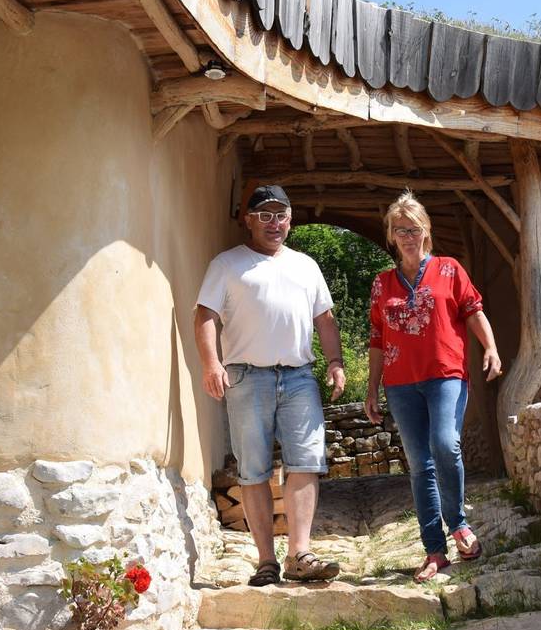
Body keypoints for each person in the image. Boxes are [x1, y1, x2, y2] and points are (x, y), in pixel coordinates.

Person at [194, 185, 346, 586]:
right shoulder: (226, 265)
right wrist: (211, 363)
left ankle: (300, 553)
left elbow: (325, 320)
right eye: (264, 215)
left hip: (298, 376)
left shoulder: (306, 265)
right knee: (253, 470)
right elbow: (205, 316)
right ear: (248, 220)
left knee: (306, 463)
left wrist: (335, 363)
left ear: (290, 219)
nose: (273, 223)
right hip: (245, 375)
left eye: (280, 215)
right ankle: (266, 561)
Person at [365, 190, 501, 582]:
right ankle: (434, 550)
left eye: (414, 228)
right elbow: (377, 336)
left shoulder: (449, 269)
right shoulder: (382, 283)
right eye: (399, 229)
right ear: (391, 235)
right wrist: (372, 388)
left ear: (426, 231)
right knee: (419, 465)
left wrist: (490, 347)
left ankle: (457, 521)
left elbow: (473, 311)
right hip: (401, 383)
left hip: (446, 374)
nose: (407, 236)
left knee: (445, 443)